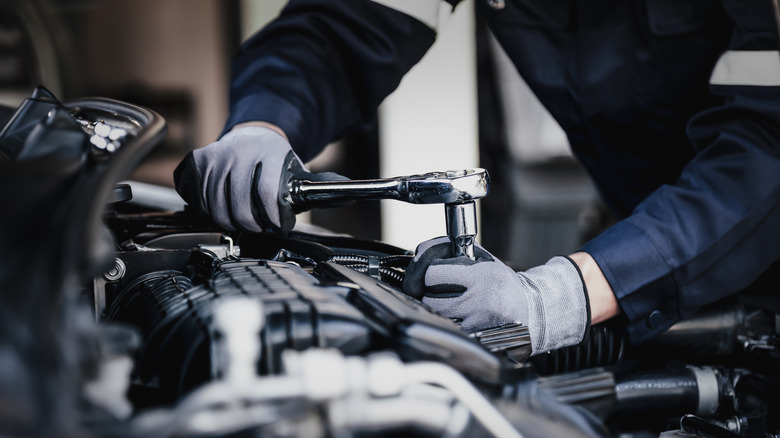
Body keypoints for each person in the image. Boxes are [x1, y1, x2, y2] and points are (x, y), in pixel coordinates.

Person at [174, 0, 780, 355]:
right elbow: (340, 30)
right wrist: (263, 124)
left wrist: (570, 294)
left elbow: (769, 145)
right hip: (648, 247)